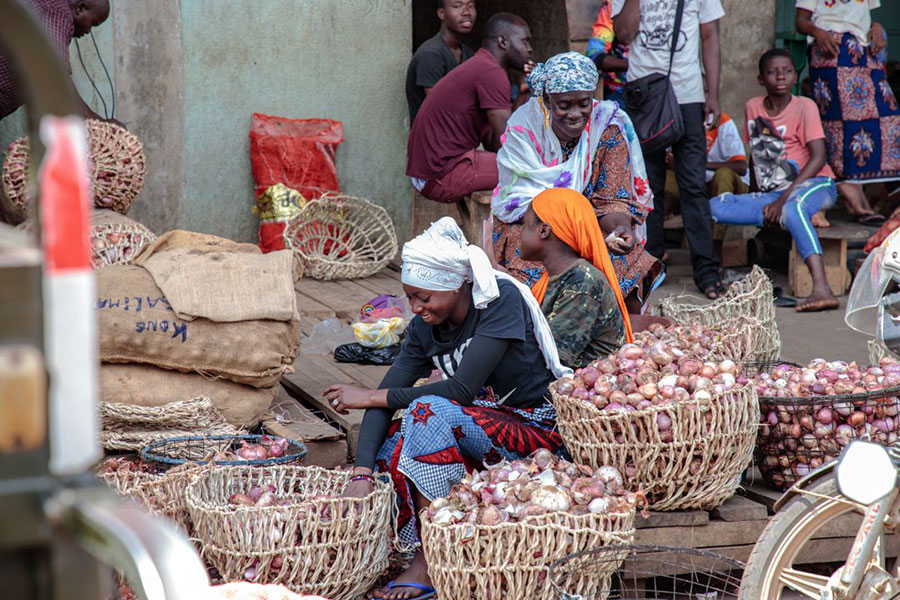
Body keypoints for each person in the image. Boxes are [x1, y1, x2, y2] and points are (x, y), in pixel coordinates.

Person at [325, 217, 571, 600]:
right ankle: (403, 543)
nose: (416, 307)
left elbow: (460, 389)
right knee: (390, 444)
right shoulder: (426, 327)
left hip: (535, 431)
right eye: (410, 297)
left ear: (455, 286)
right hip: (476, 423)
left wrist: (369, 395)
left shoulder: (498, 302)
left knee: (426, 412)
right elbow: (389, 392)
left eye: (424, 297)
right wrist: (361, 470)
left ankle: (429, 560)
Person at [491, 52, 662, 313]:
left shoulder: (606, 127)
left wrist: (619, 229)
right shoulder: (523, 129)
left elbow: (613, 197)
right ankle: (544, 327)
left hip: (591, 226)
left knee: (625, 256)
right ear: (546, 100)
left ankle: (614, 330)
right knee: (533, 257)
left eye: (583, 103)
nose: (575, 114)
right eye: (564, 105)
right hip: (533, 226)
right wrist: (570, 232)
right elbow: (519, 201)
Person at [710, 49, 839, 313]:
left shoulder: (805, 107)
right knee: (712, 207)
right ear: (761, 79)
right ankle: (713, 273)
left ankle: (822, 288)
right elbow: (757, 156)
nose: (780, 76)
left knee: (792, 208)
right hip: (774, 193)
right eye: (772, 72)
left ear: (795, 76)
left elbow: (818, 158)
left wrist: (781, 202)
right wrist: (757, 196)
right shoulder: (753, 107)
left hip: (816, 184)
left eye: (787, 71)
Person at [612, 0, 724, 299]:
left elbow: (710, 35)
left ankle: (707, 271)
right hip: (645, 95)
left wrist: (713, 92)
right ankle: (650, 266)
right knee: (647, 185)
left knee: (693, 186)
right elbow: (622, 34)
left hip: (688, 94)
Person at [406, 12, 532, 204]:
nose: (529, 49)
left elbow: (493, 144)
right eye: (525, 42)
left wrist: (524, 92)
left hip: (430, 173)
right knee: (535, 171)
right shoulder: (491, 73)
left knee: (532, 167)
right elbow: (507, 145)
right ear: (503, 42)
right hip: (440, 175)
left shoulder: (481, 65)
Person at [797, 0, 899, 226]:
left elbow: (863, 18)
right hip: (830, 52)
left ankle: (883, 191)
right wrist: (817, 31)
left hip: (863, 52)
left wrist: (876, 27)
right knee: (842, 125)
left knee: (888, 117)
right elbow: (801, 21)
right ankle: (854, 198)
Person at [518, 188, 630, 367]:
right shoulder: (557, 276)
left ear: (544, 230)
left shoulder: (582, 282)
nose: (520, 232)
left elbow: (550, 358)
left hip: (586, 385)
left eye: (525, 224)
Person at [0, 0, 111, 121]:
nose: (88, 31)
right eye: (92, 23)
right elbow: (55, 77)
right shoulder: (58, 11)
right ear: (81, 9)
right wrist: (99, 123)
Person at [405, 0, 476, 124]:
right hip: (433, 140)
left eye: (470, 6)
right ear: (442, 13)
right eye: (457, 6)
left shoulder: (468, 53)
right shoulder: (430, 54)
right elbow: (441, 109)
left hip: (457, 138)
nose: (466, 12)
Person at [585, 0, 629, 107]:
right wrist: (635, 66)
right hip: (620, 93)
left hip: (665, 88)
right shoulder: (613, 5)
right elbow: (594, 55)